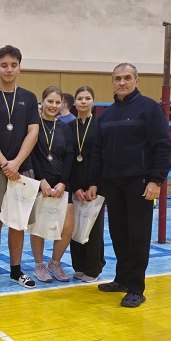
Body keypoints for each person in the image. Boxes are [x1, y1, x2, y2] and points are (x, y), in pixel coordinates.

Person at [86, 63, 171, 308]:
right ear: (112, 82)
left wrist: (156, 180)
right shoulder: (106, 115)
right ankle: (122, 279)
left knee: (138, 236)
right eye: (117, 78)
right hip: (113, 185)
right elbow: (97, 153)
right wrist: (94, 182)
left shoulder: (150, 109)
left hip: (140, 184)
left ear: (136, 80)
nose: (122, 82)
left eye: (127, 78)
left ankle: (136, 288)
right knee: (119, 235)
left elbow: (163, 147)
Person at [0, 45, 40, 291]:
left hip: (22, 170)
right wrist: (5, 163)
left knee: (18, 222)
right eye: (4, 65)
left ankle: (15, 271)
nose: (9, 69)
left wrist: (16, 164)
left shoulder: (29, 97)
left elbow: (33, 133)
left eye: (13, 65)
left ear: (20, 67)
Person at [29, 86, 74, 283]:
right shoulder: (33, 126)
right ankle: (39, 265)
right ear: (42, 102)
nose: (53, 105)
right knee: (39, 227)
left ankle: (55, 262)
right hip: (40, 183)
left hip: (62, 183)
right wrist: (41, 181)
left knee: (68, 227)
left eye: (57, 102)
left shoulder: (65, 127)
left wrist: (63, 181)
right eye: (50, 101)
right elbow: (32, 155)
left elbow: (69, 155)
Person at [69, 86, 106, 283]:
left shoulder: (100, 125)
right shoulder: (69, 126)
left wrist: (94, 185)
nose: (83, 101)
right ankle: (79, 265)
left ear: (93, 101)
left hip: (95, 183)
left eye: (87, 98)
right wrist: (75, 187)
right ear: (74, 102)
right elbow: (68, 159)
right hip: (75, 182)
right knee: (75, 225)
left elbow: (102, 157)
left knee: (93, 227)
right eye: (80, 98)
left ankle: (93, 267)